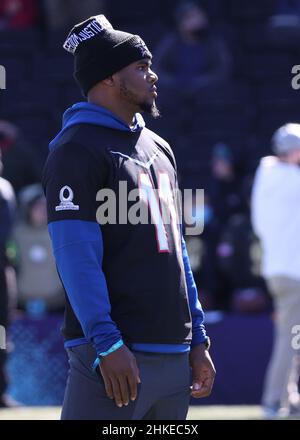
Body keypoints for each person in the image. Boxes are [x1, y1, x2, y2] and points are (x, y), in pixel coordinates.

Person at [42, 14, 215, 420]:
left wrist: (197, 337)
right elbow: (75, 256)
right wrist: (106, 342)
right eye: (140, 67)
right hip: (117, 355)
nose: (153, 76)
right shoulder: (75, 149)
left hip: (173, 352)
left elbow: (178, 252)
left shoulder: (159, 147)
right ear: (107, 80)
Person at [251, 123, 300, 418]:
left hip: (277, 270)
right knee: (289, 337)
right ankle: (273, 400)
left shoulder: (265, 175)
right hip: (293, 271)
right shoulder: (292, 179)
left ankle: (289, 397)